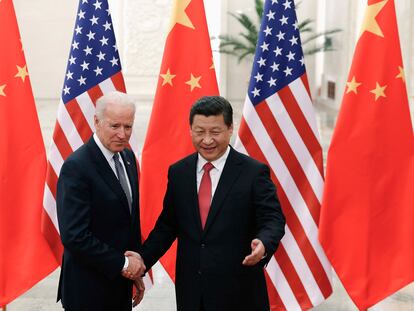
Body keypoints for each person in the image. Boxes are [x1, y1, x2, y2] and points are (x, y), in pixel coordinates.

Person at [132, 95, 286, 311]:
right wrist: (141, 260)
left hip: (239, 292)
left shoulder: (253, 172)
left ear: (230, 129)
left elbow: (273, 220)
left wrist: (263, 243)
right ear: (190, 130)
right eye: (199, 132)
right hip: (193, 293)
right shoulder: (179, 172)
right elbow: (167, 226)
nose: (207, 140)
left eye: (215, 132)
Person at [56, 91, 146, 311]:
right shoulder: (77, 166)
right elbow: (74, 235)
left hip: (120, 285)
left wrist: (134, 270)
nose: (123, 134)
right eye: (115, 126)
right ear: (96, 122)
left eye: (128, 126)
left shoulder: (127, 158)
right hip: (87, 289)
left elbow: (129, 220)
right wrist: (124, 265)